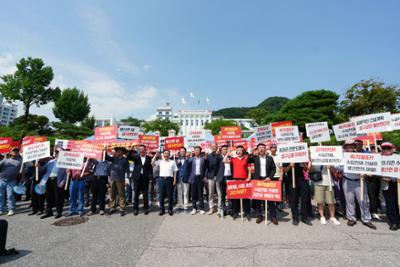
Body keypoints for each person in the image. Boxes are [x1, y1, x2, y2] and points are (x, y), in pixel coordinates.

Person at [332, 140, 376, 230]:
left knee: (363, 200)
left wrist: (366, 173)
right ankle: (351, 218)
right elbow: (338, 167)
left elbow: (368, 166)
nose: (350, 148)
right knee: (349, 200)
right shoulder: (342, 156)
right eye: (348, 146)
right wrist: (331, 165)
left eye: (351, 146)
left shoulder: (360, 156)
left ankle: (366, 219)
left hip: (360, 181)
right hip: (347, 181)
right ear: (345, 147)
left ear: (354, 147)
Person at [250, 143, 277, 224]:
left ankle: (273, 216)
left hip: (267, 179)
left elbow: (273, 169)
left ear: (265, 149)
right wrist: (252, 153)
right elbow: (247, 160)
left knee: (270, 199)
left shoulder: (269, 158)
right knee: (258, 199)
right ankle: (259, 215)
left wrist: (270, 177)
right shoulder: (255, 158)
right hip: (258, 180)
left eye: (263, 148)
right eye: (259, 148)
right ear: (257, 149)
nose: (261, 149)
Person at [38, 151, 68, 219]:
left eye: (59, 153)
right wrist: (38, 166)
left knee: (58, 197)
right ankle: (49, 212)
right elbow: (42, 170)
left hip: (57, 180)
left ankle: (59, 212)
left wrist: (63, 181)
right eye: (56, 153)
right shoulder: (50, 161)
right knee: (48, 197)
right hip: (48, 180)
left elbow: (66, 173)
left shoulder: (64, 162)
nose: (57, 154)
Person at [281, 162, 312, 226]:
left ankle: (304, 217)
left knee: (304, 199)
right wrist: (290, 165)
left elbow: (306, 169)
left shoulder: (300, 158)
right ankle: (295, 218)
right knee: (293, 200)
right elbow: (284, 170)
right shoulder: (287, 158)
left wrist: (305, 166)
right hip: (291, 181)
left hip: (302, 180)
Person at [225, 146, 251, 220]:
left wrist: (249, 176)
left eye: (240, 150)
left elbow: (249, 168)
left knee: (246, 197)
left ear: (243, 151)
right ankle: (235, 212)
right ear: (236, 152)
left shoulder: (246, 159)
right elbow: (224, 161)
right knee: (235, 198)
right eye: (237, 150)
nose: (239, 152)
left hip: (244, 180)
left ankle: (247, 212)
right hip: (235, 180)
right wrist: (228, 153)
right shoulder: (233, 159)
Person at [127, 145, 152, 216]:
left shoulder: (148, 158)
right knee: (136, 194)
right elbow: (129, 157)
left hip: (145, 178)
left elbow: (149, 168)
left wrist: (150, 177)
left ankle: (145, 208)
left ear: (145, 150)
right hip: (137, 178)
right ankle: (135, 209)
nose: (141, 150)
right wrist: (130, 150)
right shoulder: (136, 157)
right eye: (140, 149)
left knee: (145, 194)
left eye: (142, 149)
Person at [380, 142, 400, 231]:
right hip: (386, 185)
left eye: (388, 148)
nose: (386, 150)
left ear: (392, 149)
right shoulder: (379, 159)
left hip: (397, 183)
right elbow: (375, 170)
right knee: (390, 204)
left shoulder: (398, 158)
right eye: (384, 148)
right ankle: (394, 222)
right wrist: (381, 176)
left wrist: (393, 179)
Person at [152, 150, 177, 216]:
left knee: (170, 196)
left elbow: (175, 171)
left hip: (170, 180)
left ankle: (170, 209)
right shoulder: (160, 161)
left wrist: (174, 180)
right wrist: (156, 154)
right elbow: (152, 163)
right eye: (165, 153)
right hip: (161, 180)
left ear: (169, 155)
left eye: (167, 153)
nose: (166, 154)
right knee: (161, 196)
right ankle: (162, 210)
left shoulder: (172, 162)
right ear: (163, 154)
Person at [106, 147, 130, 216]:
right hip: (112, 179)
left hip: (121, 179)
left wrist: (126, 179)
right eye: (116, 151)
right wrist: (104, 150)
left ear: (122, 152)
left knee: (121, 194)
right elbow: (106, 157)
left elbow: (127, 170)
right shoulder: (114, 158)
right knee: (112, 193)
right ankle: (112, 207)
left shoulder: (125, 160)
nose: (116, 152)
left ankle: (122, 208)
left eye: (118, 151)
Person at [0, 148, 22, 216]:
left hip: (12, 181)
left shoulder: (20, 161)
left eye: (16, 151)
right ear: (10, 152)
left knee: (10, 195)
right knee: (0, 195)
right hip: (2, 180)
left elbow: (26, 167)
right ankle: (1, 209)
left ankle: (11, 209)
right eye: (14, 151)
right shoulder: (5, 160)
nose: (15, 152)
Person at [187, 146, 207, 215]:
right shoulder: (191, 159)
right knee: (193, 194)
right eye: (195, 150)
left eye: (198, 150)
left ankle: (201, 208)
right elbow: (188, 168)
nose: (196, 151)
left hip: (200, 178)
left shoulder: (203, 159)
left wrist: (205, 176)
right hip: (193, 178)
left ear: (200, 151)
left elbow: (205, 168)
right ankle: (194, 208)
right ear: (194, 151)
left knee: (200, 193)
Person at [205, 144, 221, 215]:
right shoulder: (208, 156)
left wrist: (218, 154)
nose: (214, 147)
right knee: (210, 193)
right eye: (212, 146)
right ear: (211, 148)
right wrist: (205, 159)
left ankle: (219, 208)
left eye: (215, 146)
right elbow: (206, 167)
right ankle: (211, 208)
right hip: (210, 177)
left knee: (219, 193)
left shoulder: (219, 156)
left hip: (218, 176)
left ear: (217, 147)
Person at [216, 145, 230, 217]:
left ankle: (228, 209)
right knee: (222, 195)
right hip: (221, 178)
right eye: (224, 149)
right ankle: (221, 210)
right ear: (221, 150)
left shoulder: (231, 157)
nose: (225, 150)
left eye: (226, 149)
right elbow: (223, 160)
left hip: (229, 178)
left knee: (229, 195)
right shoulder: (218, 157)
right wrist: (227, 154)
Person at [175, 147, 190, 212]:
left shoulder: (188, 159)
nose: (182, 152)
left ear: (185, 152)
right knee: (179, 192)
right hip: (178, 178)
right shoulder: (176, 159)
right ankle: (180, 205)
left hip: (186, 178)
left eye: (183, 151)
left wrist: (187, 158)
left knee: (186, 192)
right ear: (179, 152)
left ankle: (186, 205)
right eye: (181, 151)